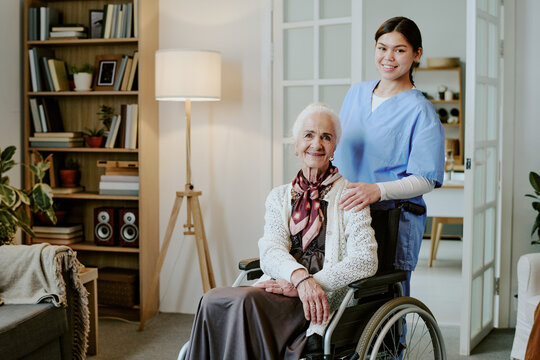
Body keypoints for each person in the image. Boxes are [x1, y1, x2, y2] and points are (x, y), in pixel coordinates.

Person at [186, 103, 378, 359]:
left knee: (244, 303)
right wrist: (299, 278)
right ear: (296, 143)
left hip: (318, 299)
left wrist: (311, 285)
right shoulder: (279, 196)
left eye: (326, 137)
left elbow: (365, 260)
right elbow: (271, 249)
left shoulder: (350, 197)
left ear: (334, 148)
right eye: (309, 135)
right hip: (281, 286)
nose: (316, 144)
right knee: (211, 300)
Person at [333, 16, 445, 296]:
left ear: (416, 54)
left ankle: (395, 342)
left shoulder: (421, 110)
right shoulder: (356, 93)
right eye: (382, 48)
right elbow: (339, 155)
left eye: (399, 49)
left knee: (383, 299)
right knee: (342, 296)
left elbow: (426, 179)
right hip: (345, 213)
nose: (388, 57)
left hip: (391, 218)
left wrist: (378, 190)